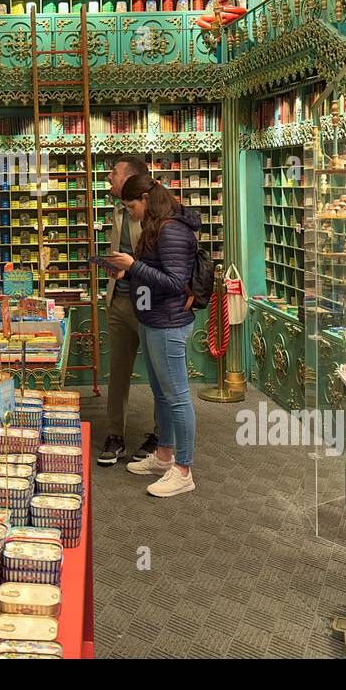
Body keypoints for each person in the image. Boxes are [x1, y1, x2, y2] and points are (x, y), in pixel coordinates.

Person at [107, 172, 199, 498]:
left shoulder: (171, 229)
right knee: (162, 394)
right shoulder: (156, 226)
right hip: (153, 319)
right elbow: (153, 273)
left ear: (145, 200)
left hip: (169, 322)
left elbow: (174, 282)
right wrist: (127, 270)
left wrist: (133, 266)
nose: (129, 212)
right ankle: (164, 456)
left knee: (177, 397)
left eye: (131, 205)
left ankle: (183, 469)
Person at [97, 156, 160, 467]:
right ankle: (115, 435)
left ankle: (160, 436)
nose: (109, 177)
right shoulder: (118, 208)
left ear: (133, 177)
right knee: (118, 372)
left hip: (147, 300)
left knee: (159, 373)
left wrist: (133, 269)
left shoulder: (154, 210)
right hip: (118, 299)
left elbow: (161, 260)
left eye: (114, 172)